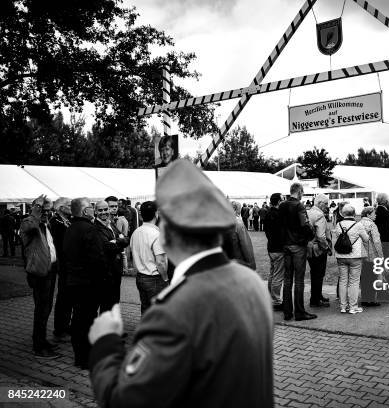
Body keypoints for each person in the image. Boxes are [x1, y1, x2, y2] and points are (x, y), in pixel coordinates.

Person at [88, 159, 274, 407]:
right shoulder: (252, 282)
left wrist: (105, 345)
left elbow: (124, 400)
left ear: (167, 232)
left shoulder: (172, 311)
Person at [64, 197, 107, 369]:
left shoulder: (70, 228)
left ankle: (79, 356)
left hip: (73, 281)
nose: (93, 209)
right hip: (88, 283)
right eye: (91, 207)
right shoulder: (89, 229)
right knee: (88, 319)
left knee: (77, 319)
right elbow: (97, 258)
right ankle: (86, 358)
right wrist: (101, 278)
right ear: (84, 211)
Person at [20, 195, 58, 359]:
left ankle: (41, 339)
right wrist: (38, 207)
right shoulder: (29, 222)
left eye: (49, 211)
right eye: (44, 210)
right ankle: (39, 345)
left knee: (46, 307)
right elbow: (30, 227)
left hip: (49, 271)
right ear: (36, 209)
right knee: (41, 309)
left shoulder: (44, 223)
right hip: (39, 273)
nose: (47, 214)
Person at [279, 182, 316, 321]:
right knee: (299, 280)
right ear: (299, 191)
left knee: (287, 280)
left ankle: (287, 312)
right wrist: (311, 234)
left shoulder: (282, 205)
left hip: (286, 245)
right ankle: (300, 312)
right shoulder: (299, 206)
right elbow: (305, 224)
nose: (302, 194)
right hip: (298, 245)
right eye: (302, 192)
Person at [130, 201, 168, 314]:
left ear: (141, 215)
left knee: (146, 309)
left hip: (140, 277)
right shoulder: (157, 234)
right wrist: (165, 278)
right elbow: (160, 262)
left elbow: (133, 254)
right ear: (156, 214)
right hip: (154, 278)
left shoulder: (136, 232)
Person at [94, 200, 129, 312]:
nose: (103, 212)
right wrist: (120, 241)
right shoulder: (95, 227)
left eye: (105, 209)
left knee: (114, 302)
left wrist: (116, 241)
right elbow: (107, 247)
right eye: (100, 210)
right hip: (105, 272)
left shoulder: (111, 223)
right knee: (106, 304)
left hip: (116, 270)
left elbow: (126, 239)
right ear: (95, 211)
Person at [335, 205, 369, 314]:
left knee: (343, 281)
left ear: (343, 214)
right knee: (354, 282)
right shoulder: (358, 225)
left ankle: (343, 307)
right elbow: (366, 239)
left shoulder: (338, 224)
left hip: (341, 256)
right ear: (354, 214)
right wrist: (366, 231)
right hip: (355, 256)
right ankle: (353, 306)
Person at [49, 197, 73, 341]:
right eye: (69, 205)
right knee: (63, 297)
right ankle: (59, 330)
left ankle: (65, 325)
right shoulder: (55, 222)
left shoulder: (66, 221)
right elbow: (59, 245)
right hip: (63, 265)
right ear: (61, 207)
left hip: (69, 265)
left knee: (69, 297)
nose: (71, 207)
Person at [307, 194, 332, 308]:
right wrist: (326, 247)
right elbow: (321, 236)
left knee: (315, 274)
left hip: (309, 248)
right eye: (326, 204)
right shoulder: (319, 215)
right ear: (319, 203)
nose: (327, 206)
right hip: (318, 249)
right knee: (318, 274)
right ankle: (315, 300)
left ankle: (317, 296)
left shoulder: (309, 212)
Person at [263, 193, 285, 311]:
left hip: (271, 246)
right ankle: (276, 301)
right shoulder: (278, 215)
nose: (283, 202)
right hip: (278, 248)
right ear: (278, 201)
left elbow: (266, 230)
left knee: (272, 273)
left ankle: (272, 298)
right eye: (282, 200)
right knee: (277, 275)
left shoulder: (267, 213)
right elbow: (281, 232)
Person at [373, 193, 389, 302]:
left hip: (375, 245)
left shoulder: (374, 213)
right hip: (387, 244)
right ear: (386, 201)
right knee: (387, 269)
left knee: (377, 269)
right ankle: (384, 292)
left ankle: (377, 291)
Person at [360, 206, 383, 306]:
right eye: (374, 213)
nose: (376, 215)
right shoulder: (372, 225)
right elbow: (377, 242)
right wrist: (381, 256)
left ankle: (365, 298)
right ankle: (371, 299)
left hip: (361, 254)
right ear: (368, 214)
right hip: (372, 254)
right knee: (372, 277)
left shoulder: (359, 223)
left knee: (364, 277)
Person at [223, 201, 256, 270]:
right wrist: (252, 265)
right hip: (238, 262)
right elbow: (246, 246)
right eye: (239, 209)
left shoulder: (220, 222)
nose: (240, 211)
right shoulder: (238, 223)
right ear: (235, 210)